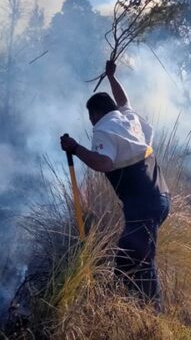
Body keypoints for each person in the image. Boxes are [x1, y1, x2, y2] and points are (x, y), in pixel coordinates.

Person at [60, 60, 170, 310]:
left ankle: (153, 319)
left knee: (137, 260)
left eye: (91, 117)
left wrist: (76, 148)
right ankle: (127, 309)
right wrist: (111, 76)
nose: (91, 122)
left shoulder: (103, 129)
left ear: (95, 114)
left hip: (143, 206)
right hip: (162, 198)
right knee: (128, 257)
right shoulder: (128, 118)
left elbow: (104, 163)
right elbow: (124, 100)